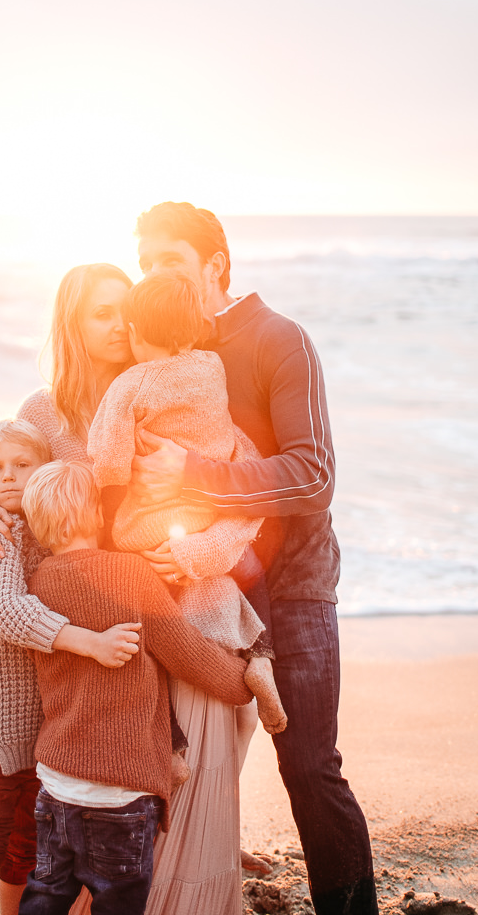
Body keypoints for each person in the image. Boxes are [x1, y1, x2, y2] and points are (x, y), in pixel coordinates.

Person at [0, 262, 265, 913]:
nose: (119, 325)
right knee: (96, 767)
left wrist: (199, 547)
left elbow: (237, 473)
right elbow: (11, 478)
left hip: (165, 588)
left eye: (125, 311)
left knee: (199, 730)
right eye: (101, 314)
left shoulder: (169, 388)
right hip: (89, 607)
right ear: (71, 326)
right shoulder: (42, 412)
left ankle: (202, 854)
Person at [130, 202, 378, 915]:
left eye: (169, 261)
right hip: (200, 586)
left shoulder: (279, 339)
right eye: (145, 264)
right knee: (180, 759)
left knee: (308, 764)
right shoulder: (161, 346)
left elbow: (313, 476)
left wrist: (194, 474)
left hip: (292, 584)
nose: (154, 276)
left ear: (216, 265)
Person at [18, 459, 254, 915]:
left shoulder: (38, 582)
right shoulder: (129, 573)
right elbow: (186, 652)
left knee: (46, 895)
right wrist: (242, 682)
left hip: (56, 783)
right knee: (119, 902)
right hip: (121, 792)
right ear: (97, 514)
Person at [0, 418, 141, 915]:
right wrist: (91, 644)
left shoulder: (43, 531)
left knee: (25, 856)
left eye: (22, 465)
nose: (8, 476)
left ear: (45, 471)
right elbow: (8, 611)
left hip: (42, 728)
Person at [87, 272, 287, 736]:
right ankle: (261, 655)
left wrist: (109, 479)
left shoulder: (131, 382)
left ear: (135, 331)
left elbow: (108, 462)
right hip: (209, 512)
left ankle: (173, 741)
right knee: (250, 570)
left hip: (153, 533)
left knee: (151, 637)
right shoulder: (212, 367)